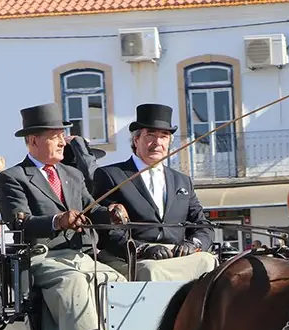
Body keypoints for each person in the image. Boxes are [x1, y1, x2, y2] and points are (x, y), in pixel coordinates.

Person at [0, 103, 128, 330]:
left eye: (62, 136)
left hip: (79, 255)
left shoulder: (72, 174)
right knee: (74, 282)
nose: (63, 143)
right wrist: (58, 221)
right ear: (33, 140)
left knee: (116, 280)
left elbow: (93, 207)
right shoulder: (13, 178)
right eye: (55, 137)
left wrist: (111, 212)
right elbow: (19, 222)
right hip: (41, 258)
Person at [90, 103, 218, 282]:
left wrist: (193, 244)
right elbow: (109, 231)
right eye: (150, 135)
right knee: (153, 270)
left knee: (208, 261)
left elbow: (202, 224)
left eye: (164, 136)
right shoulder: (111, 175)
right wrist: (143, 249)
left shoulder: (182, 181)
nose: (157, 143)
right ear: (136, 140)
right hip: (132, 256)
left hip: (177, 254)